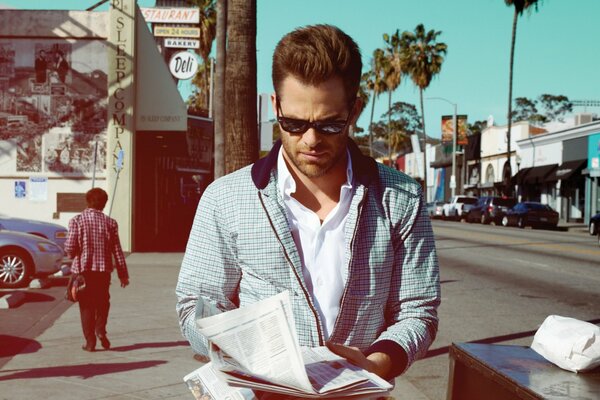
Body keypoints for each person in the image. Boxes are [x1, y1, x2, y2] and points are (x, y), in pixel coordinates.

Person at [176, 24, 440, 381]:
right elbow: (197, 304)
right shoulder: (226, 199)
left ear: (355, 111)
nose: (311, 140)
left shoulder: (400, 198)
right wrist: (236, 353)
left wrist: (378, 363)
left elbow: (417, 311)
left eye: (330, 124)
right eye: (294, 123)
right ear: (275, 105)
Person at [65, 188, 129, 352]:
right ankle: (100, 329)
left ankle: (90, 341)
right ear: (104, 203)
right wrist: (123, 275)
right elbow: (117, 251)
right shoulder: (111, 223)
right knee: (102, 302)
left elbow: (71, 248)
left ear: (87, 201)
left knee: (86, 305)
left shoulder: (77, 221)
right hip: (103, 271)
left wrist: (72, 253)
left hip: (83, 271)